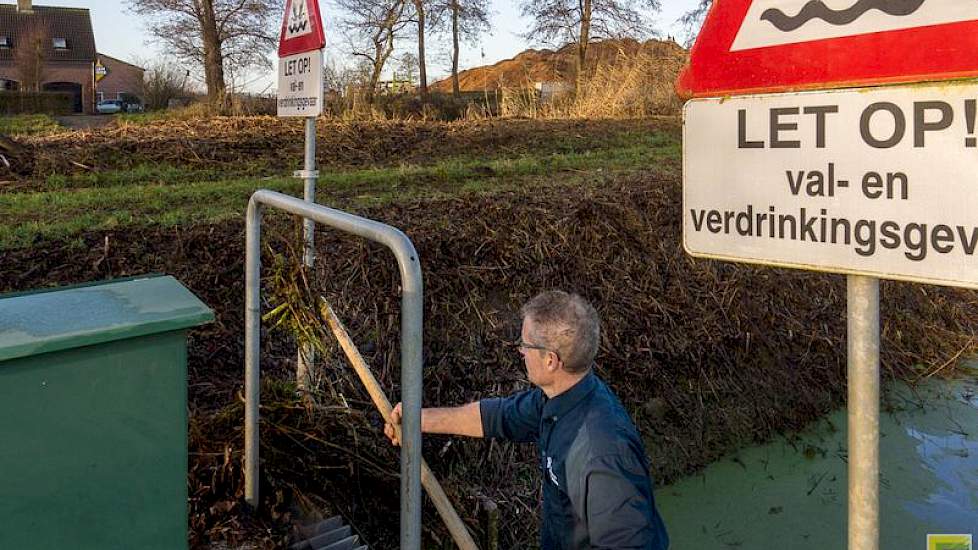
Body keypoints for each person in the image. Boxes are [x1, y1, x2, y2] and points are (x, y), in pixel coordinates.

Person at [385, 290, 669, 549]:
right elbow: (496, 417)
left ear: (550, 361)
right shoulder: (558, 398)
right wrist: (416, 421)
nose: (520, 350)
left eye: (525, 344)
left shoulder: (600, 452)